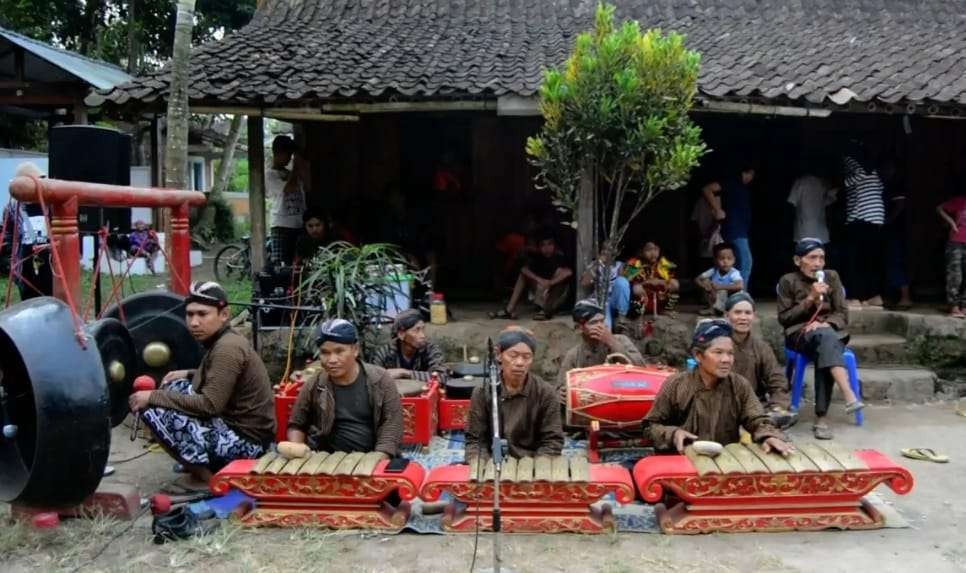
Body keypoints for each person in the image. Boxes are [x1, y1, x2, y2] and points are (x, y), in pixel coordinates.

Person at [128, 281, 275, 490]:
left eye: (202, 314)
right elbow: (223, 377)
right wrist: (188, 373)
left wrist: (151, 397)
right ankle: (200, 462)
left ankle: (206, 478)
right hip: (242, 431)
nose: (194, 322)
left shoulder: (227, 349)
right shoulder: (226, 339)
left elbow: (209, 405)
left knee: (151, 408)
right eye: (189, 314)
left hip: (247, 445)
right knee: (175, 386)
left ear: (224, 315)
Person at [643, 320, 792, 455]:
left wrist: (769, 436)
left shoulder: (739, 385)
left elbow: (757, 419)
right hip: (682, 462)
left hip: (724, 461)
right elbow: (650, 427)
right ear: (698, 356)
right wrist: (673, 434)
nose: (726, 360)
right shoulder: (676, 384)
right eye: (718, 352)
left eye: (730, 353)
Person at [777, 238, 865, 440]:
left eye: (821, 258)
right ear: (798, 260)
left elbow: (842, 313)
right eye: (812, 258)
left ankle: (826, 414)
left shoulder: (831, 277)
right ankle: (843, 400)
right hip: (799, 334)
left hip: (830, 332)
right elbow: (784, 319)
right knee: (825, 342)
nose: (818, 263)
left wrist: (826, 324)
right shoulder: (787, 281)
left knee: (824, 340)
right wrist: (809, 299)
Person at [286, 319, 403, 458]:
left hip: (372, 458)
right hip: (326, 459)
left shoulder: (380, 380)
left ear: (355, 350)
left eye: (339, 351)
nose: (332, 360)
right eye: (325, 352)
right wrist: (297, 452)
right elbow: (297, 424)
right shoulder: (315, 384)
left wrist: (376, 459)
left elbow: (391, 427)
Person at [465, 327, 563, 461]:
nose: (520, 363)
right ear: (499, 355)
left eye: (526, 357)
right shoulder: (482, 392)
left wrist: (538, 467)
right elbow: (475, 441)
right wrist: (482, 466)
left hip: (532, 465)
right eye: (513, 355)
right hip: (492, 464)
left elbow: (552, 442)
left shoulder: (546, 393)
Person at [724, 292, 795, 428]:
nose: (743, 318)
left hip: (754, 406)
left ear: (753, 316)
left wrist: (778, 406)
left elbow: (777, 380)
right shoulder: (717, 346)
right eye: (737, 313)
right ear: (727, 316)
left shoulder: (761, 347)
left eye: (747, 313)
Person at [557, 300, 645, 390]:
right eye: (593, 322)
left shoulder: (621, 340)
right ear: (579, 328)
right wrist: (562, 393)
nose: (601, 326)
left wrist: (612, 342)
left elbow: (642, 369)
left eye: (602, 321)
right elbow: (560, 387)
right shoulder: (574, 355)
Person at [489, 229, 572, 321]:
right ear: (539, 247)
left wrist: (550, 283)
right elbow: (524, 269)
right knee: (523, 275)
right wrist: (539, 280)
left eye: (550, 244)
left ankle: (546, 311)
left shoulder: (560, 257)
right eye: (543, 245)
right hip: (540, 294)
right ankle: (509, 309)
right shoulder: (538, 258)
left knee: (559, 275)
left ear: (555, 245)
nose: (547, 248)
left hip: (555, 298)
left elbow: (568, 272)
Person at [2, 162, 52, 299]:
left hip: (50, 261)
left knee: (52, 299)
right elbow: (8, 234)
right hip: (25, 261)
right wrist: (11, 260)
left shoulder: (51, 204)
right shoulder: (13, 208)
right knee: (29, 300)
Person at [841, 154, 886, 308]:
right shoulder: (875, 171)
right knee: (871, 260)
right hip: (877, 218)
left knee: (855, 260)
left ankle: (855, 297)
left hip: (861, 217)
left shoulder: (851, 161)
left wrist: (841, 184)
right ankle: (874, 296)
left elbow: (855, 177)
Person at [703, 162, 756, 289]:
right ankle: (741, 295)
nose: (751, 178)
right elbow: (707, 189)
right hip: (734, 229)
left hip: (740, 228)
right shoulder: (731, 182)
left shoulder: (742, 188)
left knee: (737, 263)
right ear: (744, 173)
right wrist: (717, 209)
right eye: (750, 174)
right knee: (746, 262)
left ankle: (733, 294)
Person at [370, 309, 448, 382]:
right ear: (401, 334)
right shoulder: (385, 353)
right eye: (417, 330)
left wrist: (405, 373)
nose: (423, 335)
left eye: (423, 329)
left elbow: (442, 377)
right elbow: (373, 380)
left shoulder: (430, 350)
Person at [266, 135, 307, 268]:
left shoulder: (291, 173)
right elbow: (288, 189)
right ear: (277, 153)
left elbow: (308, 187)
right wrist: (296, 167)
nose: (290, 158)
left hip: (299, 223)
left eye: (291, 155)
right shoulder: (270, 174)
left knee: (299, 264)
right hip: (281, 226)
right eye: (288, 154)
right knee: (281, 266)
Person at [579, 245, 632, 332]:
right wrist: (598, 263)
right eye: (603, 248)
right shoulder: (595, 264)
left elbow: (623, 287)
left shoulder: (619, 265)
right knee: (605, 328)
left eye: (609, 249)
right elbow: (584, 282)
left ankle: (621, 319)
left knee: (622, 281)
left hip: (614, 300)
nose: (605, 252)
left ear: (617, 252)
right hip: (600, 301)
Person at [622, 240, 679, 315]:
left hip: (659, 296)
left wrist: (660, 281)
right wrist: (647, 282)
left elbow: (670, 279)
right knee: (636, 288)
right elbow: (626, 282)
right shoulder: (634, 263)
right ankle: (639, 311)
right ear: (641, 252)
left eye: (655, 249)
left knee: (674, 283)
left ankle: (666, 309)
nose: (653, 253)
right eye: (649, 250)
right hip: (640, 296)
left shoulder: (663, 263)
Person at [937, 186, 966, 318]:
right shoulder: (960, 201)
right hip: (957, 241)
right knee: (955, 275)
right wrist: (952, 223)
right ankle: (954, 307)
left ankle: (964, 307)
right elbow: (939, 208)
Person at [695, 243, 744, 315]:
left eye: (729, 258)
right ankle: (713, 308)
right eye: (721, 259)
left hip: (731, 299)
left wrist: (720, 286)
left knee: (726, 289)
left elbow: (740, 286)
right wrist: (705, 286)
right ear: (715, 260)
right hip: (717, 298)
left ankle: (726, 309)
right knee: (705, 281)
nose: (725, 261)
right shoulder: (714, 270)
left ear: (734, 260)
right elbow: (697, 279)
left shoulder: (734, 272)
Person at [787, 173, 837, 245]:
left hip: (803, 229)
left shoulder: (799, 182)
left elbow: (792, 202)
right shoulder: (823, 183)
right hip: (819, 230)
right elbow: (827, 202)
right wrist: (833, 194)